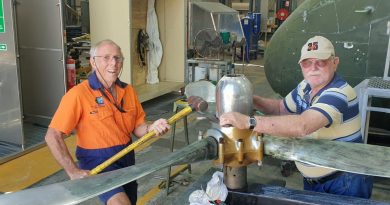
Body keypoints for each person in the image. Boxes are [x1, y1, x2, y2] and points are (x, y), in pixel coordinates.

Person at [219, 36, 373, 198]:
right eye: (307, 63)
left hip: (344, 182)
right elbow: (280, 108)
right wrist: (249, 99)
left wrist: (247, 122)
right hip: (314, 181)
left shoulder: (339, 93)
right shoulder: (305, 86)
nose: (313, 68)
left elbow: (302, 126)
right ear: (301, 65)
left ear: (335, 62)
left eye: (321, 61)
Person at [45, 39, 170, 205]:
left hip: (126, 156)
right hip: (97, 161)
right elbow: (52, 135)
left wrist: (151, 128)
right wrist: (72, 171)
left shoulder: (128, 91)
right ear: (93, 62)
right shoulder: (78, 94)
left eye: (118, 58)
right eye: (106, 57)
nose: (113, 63)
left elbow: (137, 128)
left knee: (130, 201)